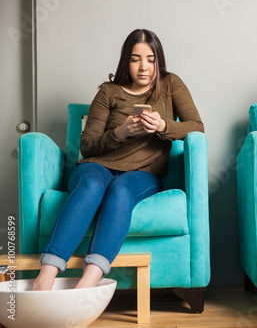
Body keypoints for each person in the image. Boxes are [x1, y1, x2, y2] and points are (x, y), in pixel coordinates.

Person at [33, 29, 204, 290]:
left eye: (150, 59)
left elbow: (197, 127)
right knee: (92, 185)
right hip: (96, 167)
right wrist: (120, 133)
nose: (144, 67)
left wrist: (162, 126)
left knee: (121, 190)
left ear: (159, 60)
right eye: (136, 59)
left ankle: (87, 285)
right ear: (126, 61)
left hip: (143, 173)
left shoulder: (171, 85)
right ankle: (44, 278)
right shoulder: (108, 92)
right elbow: (87, 145)